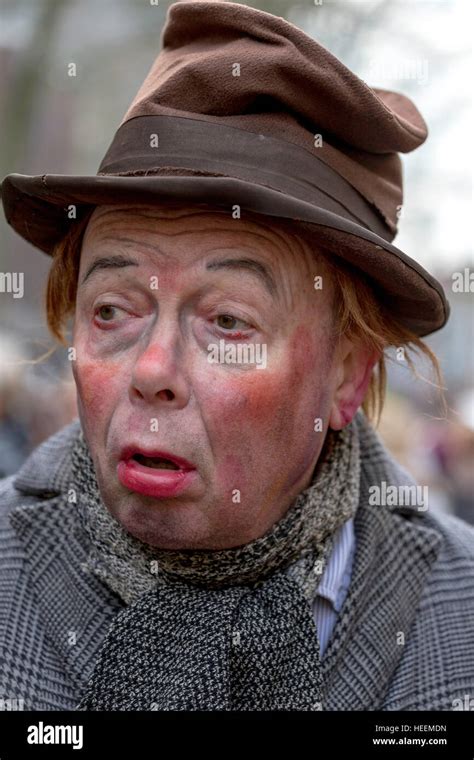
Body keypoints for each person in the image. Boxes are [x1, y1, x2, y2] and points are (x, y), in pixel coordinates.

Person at [1, 0, 472, 712]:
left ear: (348, 374)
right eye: (111, 311)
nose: (153, 372)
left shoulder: (458, 609)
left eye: (227, 319)